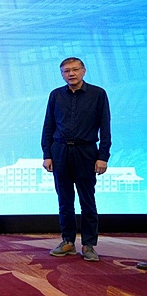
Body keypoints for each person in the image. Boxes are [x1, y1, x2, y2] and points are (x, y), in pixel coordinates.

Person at [41, 57, 111, 262]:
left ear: (83, 71)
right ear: (62, 74)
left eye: (75, 69)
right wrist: (47, 154)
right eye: (66, 71)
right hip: (60, 151)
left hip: (86, 152)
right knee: (64, 200)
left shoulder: (98, 94)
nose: (71, 74)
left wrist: (103, 156)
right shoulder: (55, 95)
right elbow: (48, 126)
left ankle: (89, 244)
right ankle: (68, 241)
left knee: (87, 200)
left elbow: (105, 127)